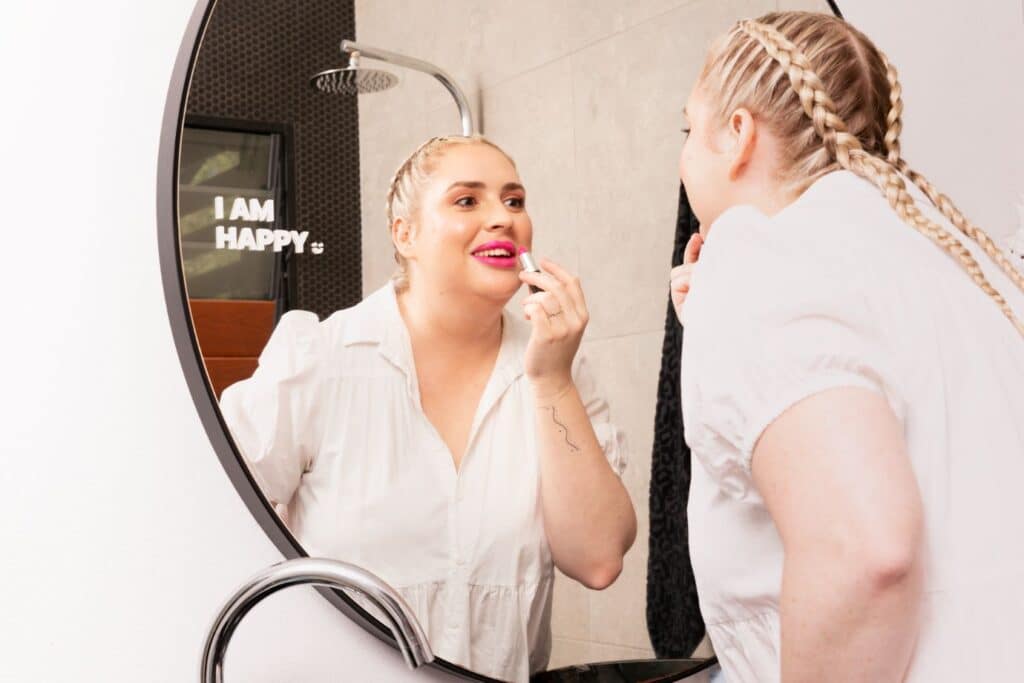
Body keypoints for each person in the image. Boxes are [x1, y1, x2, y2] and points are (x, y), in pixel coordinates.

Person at [670, 11, 1024, 683]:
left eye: (690, 129)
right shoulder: (960, 261)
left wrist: (734, 303)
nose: (685, 153)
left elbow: (865, 553)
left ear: (738, 134)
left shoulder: (756, 255)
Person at [219, 135, 636, 682]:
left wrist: (553, 381)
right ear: (405, 233)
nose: (503, 219)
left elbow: (599, 559)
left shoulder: (557, 371)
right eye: (468, 201)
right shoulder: (319, 360)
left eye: (514, 201)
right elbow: (221, 531)